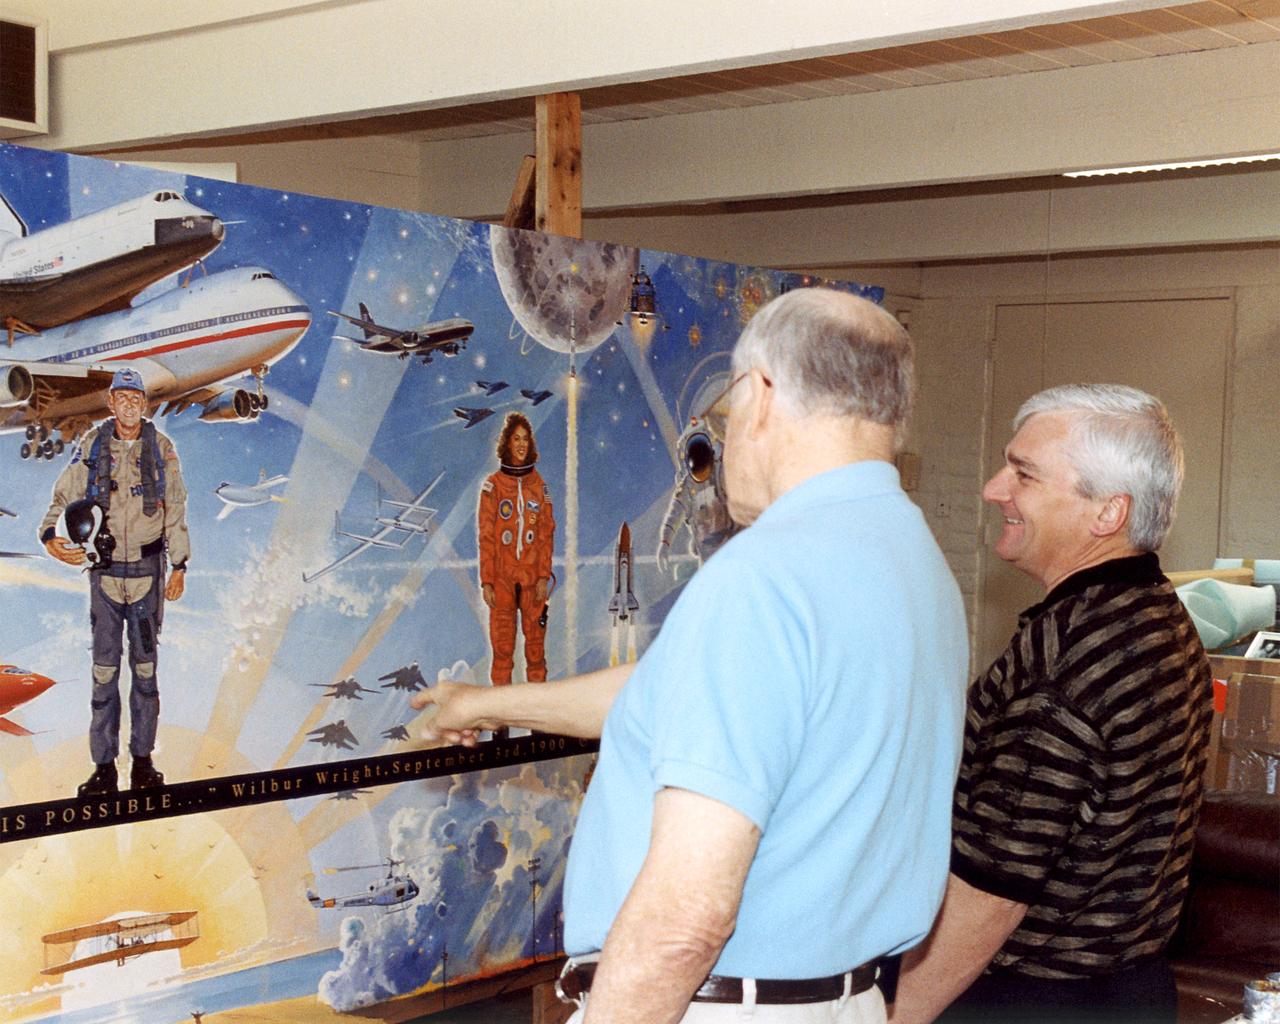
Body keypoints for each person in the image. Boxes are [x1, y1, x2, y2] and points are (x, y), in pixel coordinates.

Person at [415, 288, 970, 1024]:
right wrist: (485, 704)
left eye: (727, 410)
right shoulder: (910, 560)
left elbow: (685, 920)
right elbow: (676, 693)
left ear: (760, 394)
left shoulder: (761, 577)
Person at [890, 384, 1213, 1024]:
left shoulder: (1066, 659)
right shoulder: (1156, 613)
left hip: (1027, 1001)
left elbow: (993, 889)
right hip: (1133, 991)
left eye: (1025, 474)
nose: (993, 489)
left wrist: (894, 1015)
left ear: (1108, 513)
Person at [40, 368, 190, 797]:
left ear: (144, 403)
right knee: (104, 672)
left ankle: (143, 763)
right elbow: (65, 490)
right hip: (104, 573)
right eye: (120, 397)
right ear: (110, 403)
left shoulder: (161, 448)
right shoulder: (92, 444)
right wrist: (49, 534)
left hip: (146, 574)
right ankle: (104, 768)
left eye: (135, 398)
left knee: (145, 671)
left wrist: (179, 564)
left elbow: (176, 506)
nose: (128, 405)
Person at [477, 411, 555, 685]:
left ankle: (538, 709)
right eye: (516, 439)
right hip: (502, 577)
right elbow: (486, 537)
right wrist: (487, 581)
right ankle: (502, 712)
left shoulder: (539, 485)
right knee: (502, 650)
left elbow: (546, 533)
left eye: (525, 439)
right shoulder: (493, 486)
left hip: (532, 576)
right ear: (507, 443)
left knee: (535, 650)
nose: (521, 444)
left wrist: (543, 575)